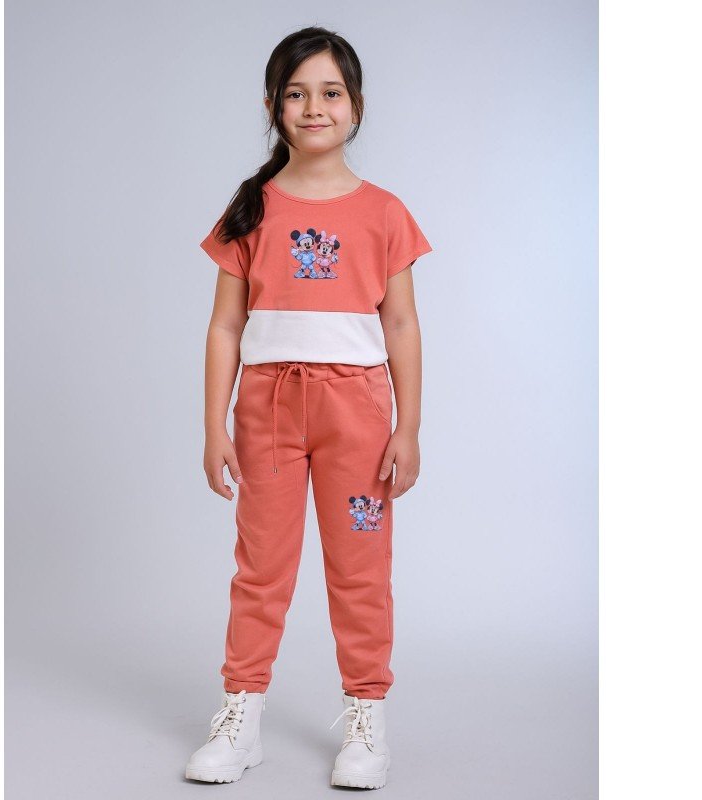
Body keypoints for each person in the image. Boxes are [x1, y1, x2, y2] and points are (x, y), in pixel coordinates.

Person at [185, 25, 434, 790]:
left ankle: (366, 721)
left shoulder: (384, 212)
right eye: (296, 94)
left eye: (331, 92)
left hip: (356, 414)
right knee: (260, 567)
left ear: (356, 105)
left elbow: (401, 324)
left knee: (360, 569)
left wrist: (408, 427)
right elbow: (225, 325)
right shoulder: (250, 209)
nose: (314, 107)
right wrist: (214, 426)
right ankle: (241, 717)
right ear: (273, 106)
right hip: (268, 411)